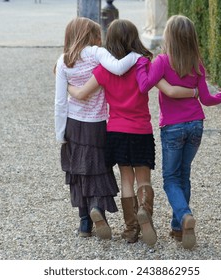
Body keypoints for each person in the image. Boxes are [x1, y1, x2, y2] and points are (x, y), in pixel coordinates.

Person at [68, 19, 195, 246]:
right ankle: (145, 212)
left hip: (115, 131)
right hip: (140, 130)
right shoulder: (143, 64)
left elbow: (82, 93)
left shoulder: (104, 70)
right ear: (134, 39)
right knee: (143, 178)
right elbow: (165, 86)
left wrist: (65, 82)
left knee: (126, 179)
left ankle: (130, 229)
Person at [135, 15, 221, 249]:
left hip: (173, 127)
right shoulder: (197, 63)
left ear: (169, 37)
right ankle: (178, 228)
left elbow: (144, 85)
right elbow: (206, 99)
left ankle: (185, 215)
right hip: (196, 124)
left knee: (170, 179)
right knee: (183, 174)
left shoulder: (162, 62)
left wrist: (140, 65)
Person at [54, 17, 140, 240]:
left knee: (78, 171)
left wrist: (60, 132)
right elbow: (119, 68)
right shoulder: (96, 53)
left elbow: (60, 102)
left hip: (73, 124)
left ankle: (84, 223)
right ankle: (97, 209)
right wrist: (137, 53)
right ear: (91, 36)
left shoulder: (63, 61)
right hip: (97, 124)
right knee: (98, 168)